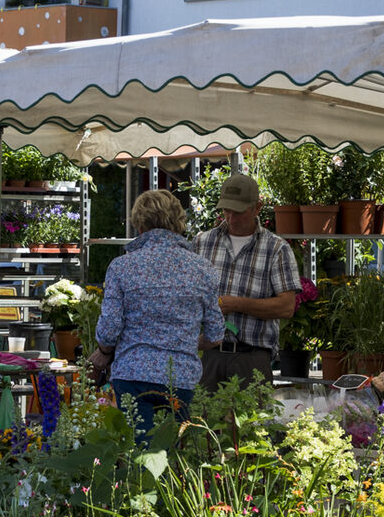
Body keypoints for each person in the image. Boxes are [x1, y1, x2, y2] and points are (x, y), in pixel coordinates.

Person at [88, 189, 223, 440]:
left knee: (135, 453)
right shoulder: (204, 269)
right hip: (181, 377)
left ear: (139, 224)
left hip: (132, 374)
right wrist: (182, 341)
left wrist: (105, 353)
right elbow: (215, 335)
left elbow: (108, 331)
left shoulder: (122, 267)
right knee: (174, 456)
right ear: (178, 222)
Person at [194, 171, 300, 388]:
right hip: (208, 357)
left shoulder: (276, 248)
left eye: (239, 212)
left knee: (252, 422)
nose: (231, 218)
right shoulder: (202, 243)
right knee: (200, 421)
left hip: (252, 359)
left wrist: (236, 304)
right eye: (226, 210)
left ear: (257, 207)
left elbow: (287, 307)